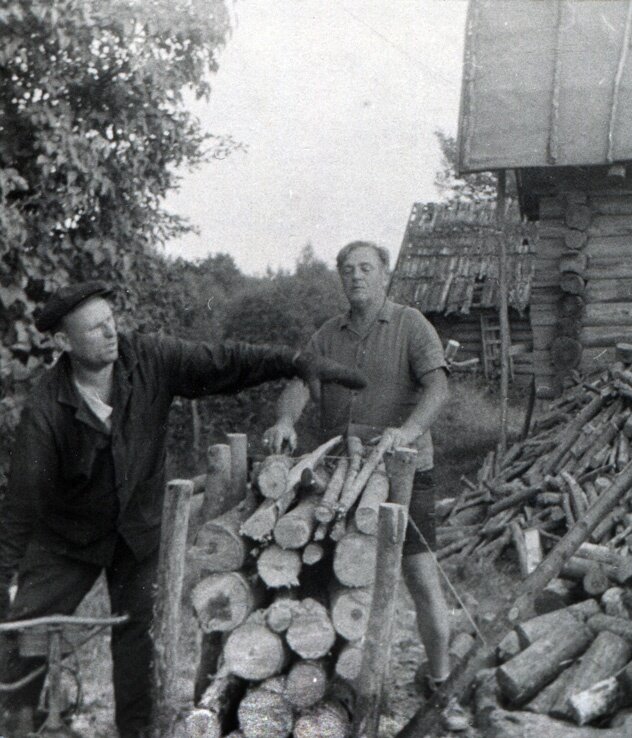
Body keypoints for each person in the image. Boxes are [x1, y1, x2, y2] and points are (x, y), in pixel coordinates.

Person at [0, 281, 365, 738]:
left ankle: (137, 731)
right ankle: (16, 721)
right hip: (66, 541)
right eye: (95, 330)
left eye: (111, 323)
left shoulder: (150, 359)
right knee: (23, 632)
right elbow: (22, 503)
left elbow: (227, 359)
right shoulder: (45, 409)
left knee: (137, 644)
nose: (111, 334)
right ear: (62, 342)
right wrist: (5, 579)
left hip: (136, 535)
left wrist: (294, 361)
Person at [263, 241, 455, 694]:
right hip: (339, 475)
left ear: (385, 274)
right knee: (330, 576)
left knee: (421, 578)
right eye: (347, 269)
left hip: (403, 472)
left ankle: (442, 681)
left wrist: (406, 432)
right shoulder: (328, 335)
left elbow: (439, 389)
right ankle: (330, 682)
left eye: (366, 268)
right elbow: (299, 385)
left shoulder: (411, 325)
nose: (356, 276)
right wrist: (286, 418)